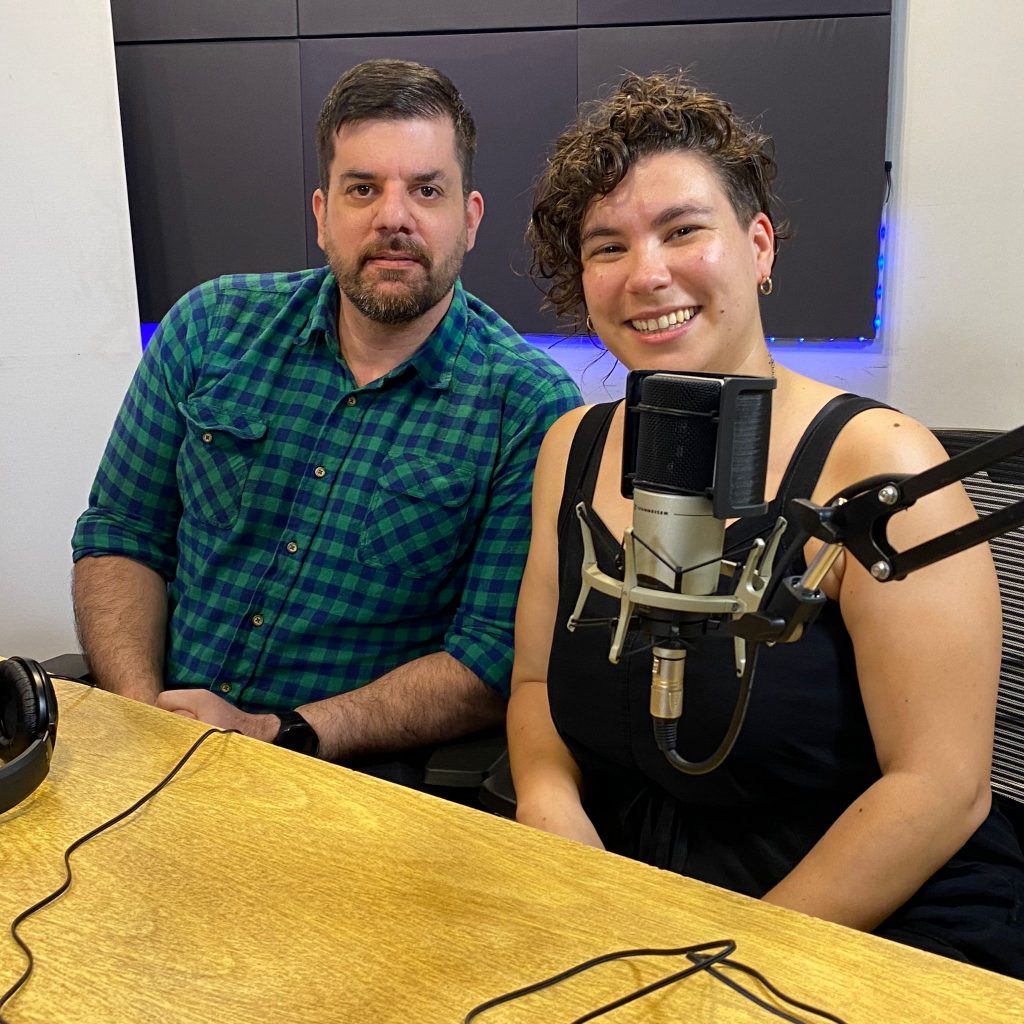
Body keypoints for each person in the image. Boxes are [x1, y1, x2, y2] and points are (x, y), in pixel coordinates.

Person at [508, 71, 1024, 974]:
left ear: (758, 247)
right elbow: (534, 681)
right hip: (631, 875)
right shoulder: (571, 447)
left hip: (859, 902)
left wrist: (725, 963)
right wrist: (551, 809)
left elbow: (941, 787)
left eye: (683, 230)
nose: (647, 274)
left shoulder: (885, 464)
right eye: (608, 246)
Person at [71, 59, 581, 779]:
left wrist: (278, 732)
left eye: (426, 189)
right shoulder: (208, 327)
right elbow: (122, 533)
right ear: (321, 213)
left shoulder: (528, 407)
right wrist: (141, 711)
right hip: (155, 743)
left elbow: (490, 657)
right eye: (363, 188)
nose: (393, 217)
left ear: (468, 218)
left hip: (345, 780)